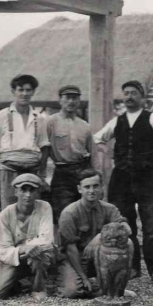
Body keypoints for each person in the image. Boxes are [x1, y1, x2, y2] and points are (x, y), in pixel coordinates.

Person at [94, 80, 153, 284]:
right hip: (121, 181)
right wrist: (108, 154)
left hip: (147, 180)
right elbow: (98, 138)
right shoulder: (116, 122)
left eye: (133, 93)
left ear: (142, 97)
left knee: (151, 226)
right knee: (126, 224)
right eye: (125, 93)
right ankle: (133, 267)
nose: (129, 97)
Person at [56, 169, 128, 298]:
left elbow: (126, 230)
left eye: (95, 186)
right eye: (87, 187)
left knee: (129, 243)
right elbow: (70, 250)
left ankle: (112, 286)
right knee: (71, 291)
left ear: (101, 187)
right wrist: (84, 278)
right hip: (74, 259)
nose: (92, 190)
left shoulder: (109, 209)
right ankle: (92, 284)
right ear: (79, 189)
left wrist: (101, 236)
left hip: (99, 257)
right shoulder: (69, 213)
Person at [0, 74, 50, 208]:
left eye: (28, 90)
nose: (25, 94)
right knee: (9, 213)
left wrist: (41, 176)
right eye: (21, 90)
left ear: (33, 92)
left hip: (32, 171)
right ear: (13, 92)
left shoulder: (39, 118)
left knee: (32, 212)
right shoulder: (0, 117)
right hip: (8, 172)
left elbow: (45, 147)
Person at [0, 173, 54, 301]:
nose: (28, 195)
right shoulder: (5, 215)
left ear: (38, 192)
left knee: (38, 253)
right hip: (16, 256)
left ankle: (38, 288)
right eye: (23, 190)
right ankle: (19, 282)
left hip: (38, 254)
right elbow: (4, 249)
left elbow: (47, 239)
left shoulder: (44, 207)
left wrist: (28, 247)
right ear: (16, 191)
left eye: (32, 190)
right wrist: (24, 249)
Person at [47, 85, 99, 225]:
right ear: (60, 100)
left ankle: (83, 246)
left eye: (74, 98)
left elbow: (93, 153)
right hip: (62, 173)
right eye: (67, 97)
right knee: (63, 213)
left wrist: (97, 177)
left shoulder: (85, 125)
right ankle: (65, 246)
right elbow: (43, 149)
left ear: (79, 101)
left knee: (85, 212)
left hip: (83, 170)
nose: (71, 101)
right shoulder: (50, 122)